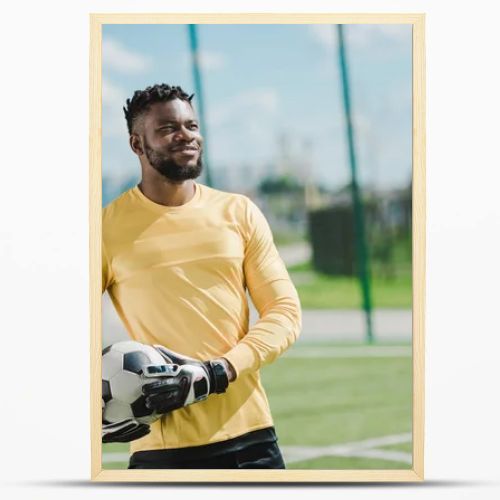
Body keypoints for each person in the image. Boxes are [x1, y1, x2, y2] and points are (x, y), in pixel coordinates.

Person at [101, 83, 302, 469]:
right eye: (168, 129)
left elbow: (285, 312)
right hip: (161, 452)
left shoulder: (238, 212)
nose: (186, 136)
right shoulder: (105, 229)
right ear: (136, 145)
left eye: (191, 126)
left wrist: (216, 372)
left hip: (253, 440)